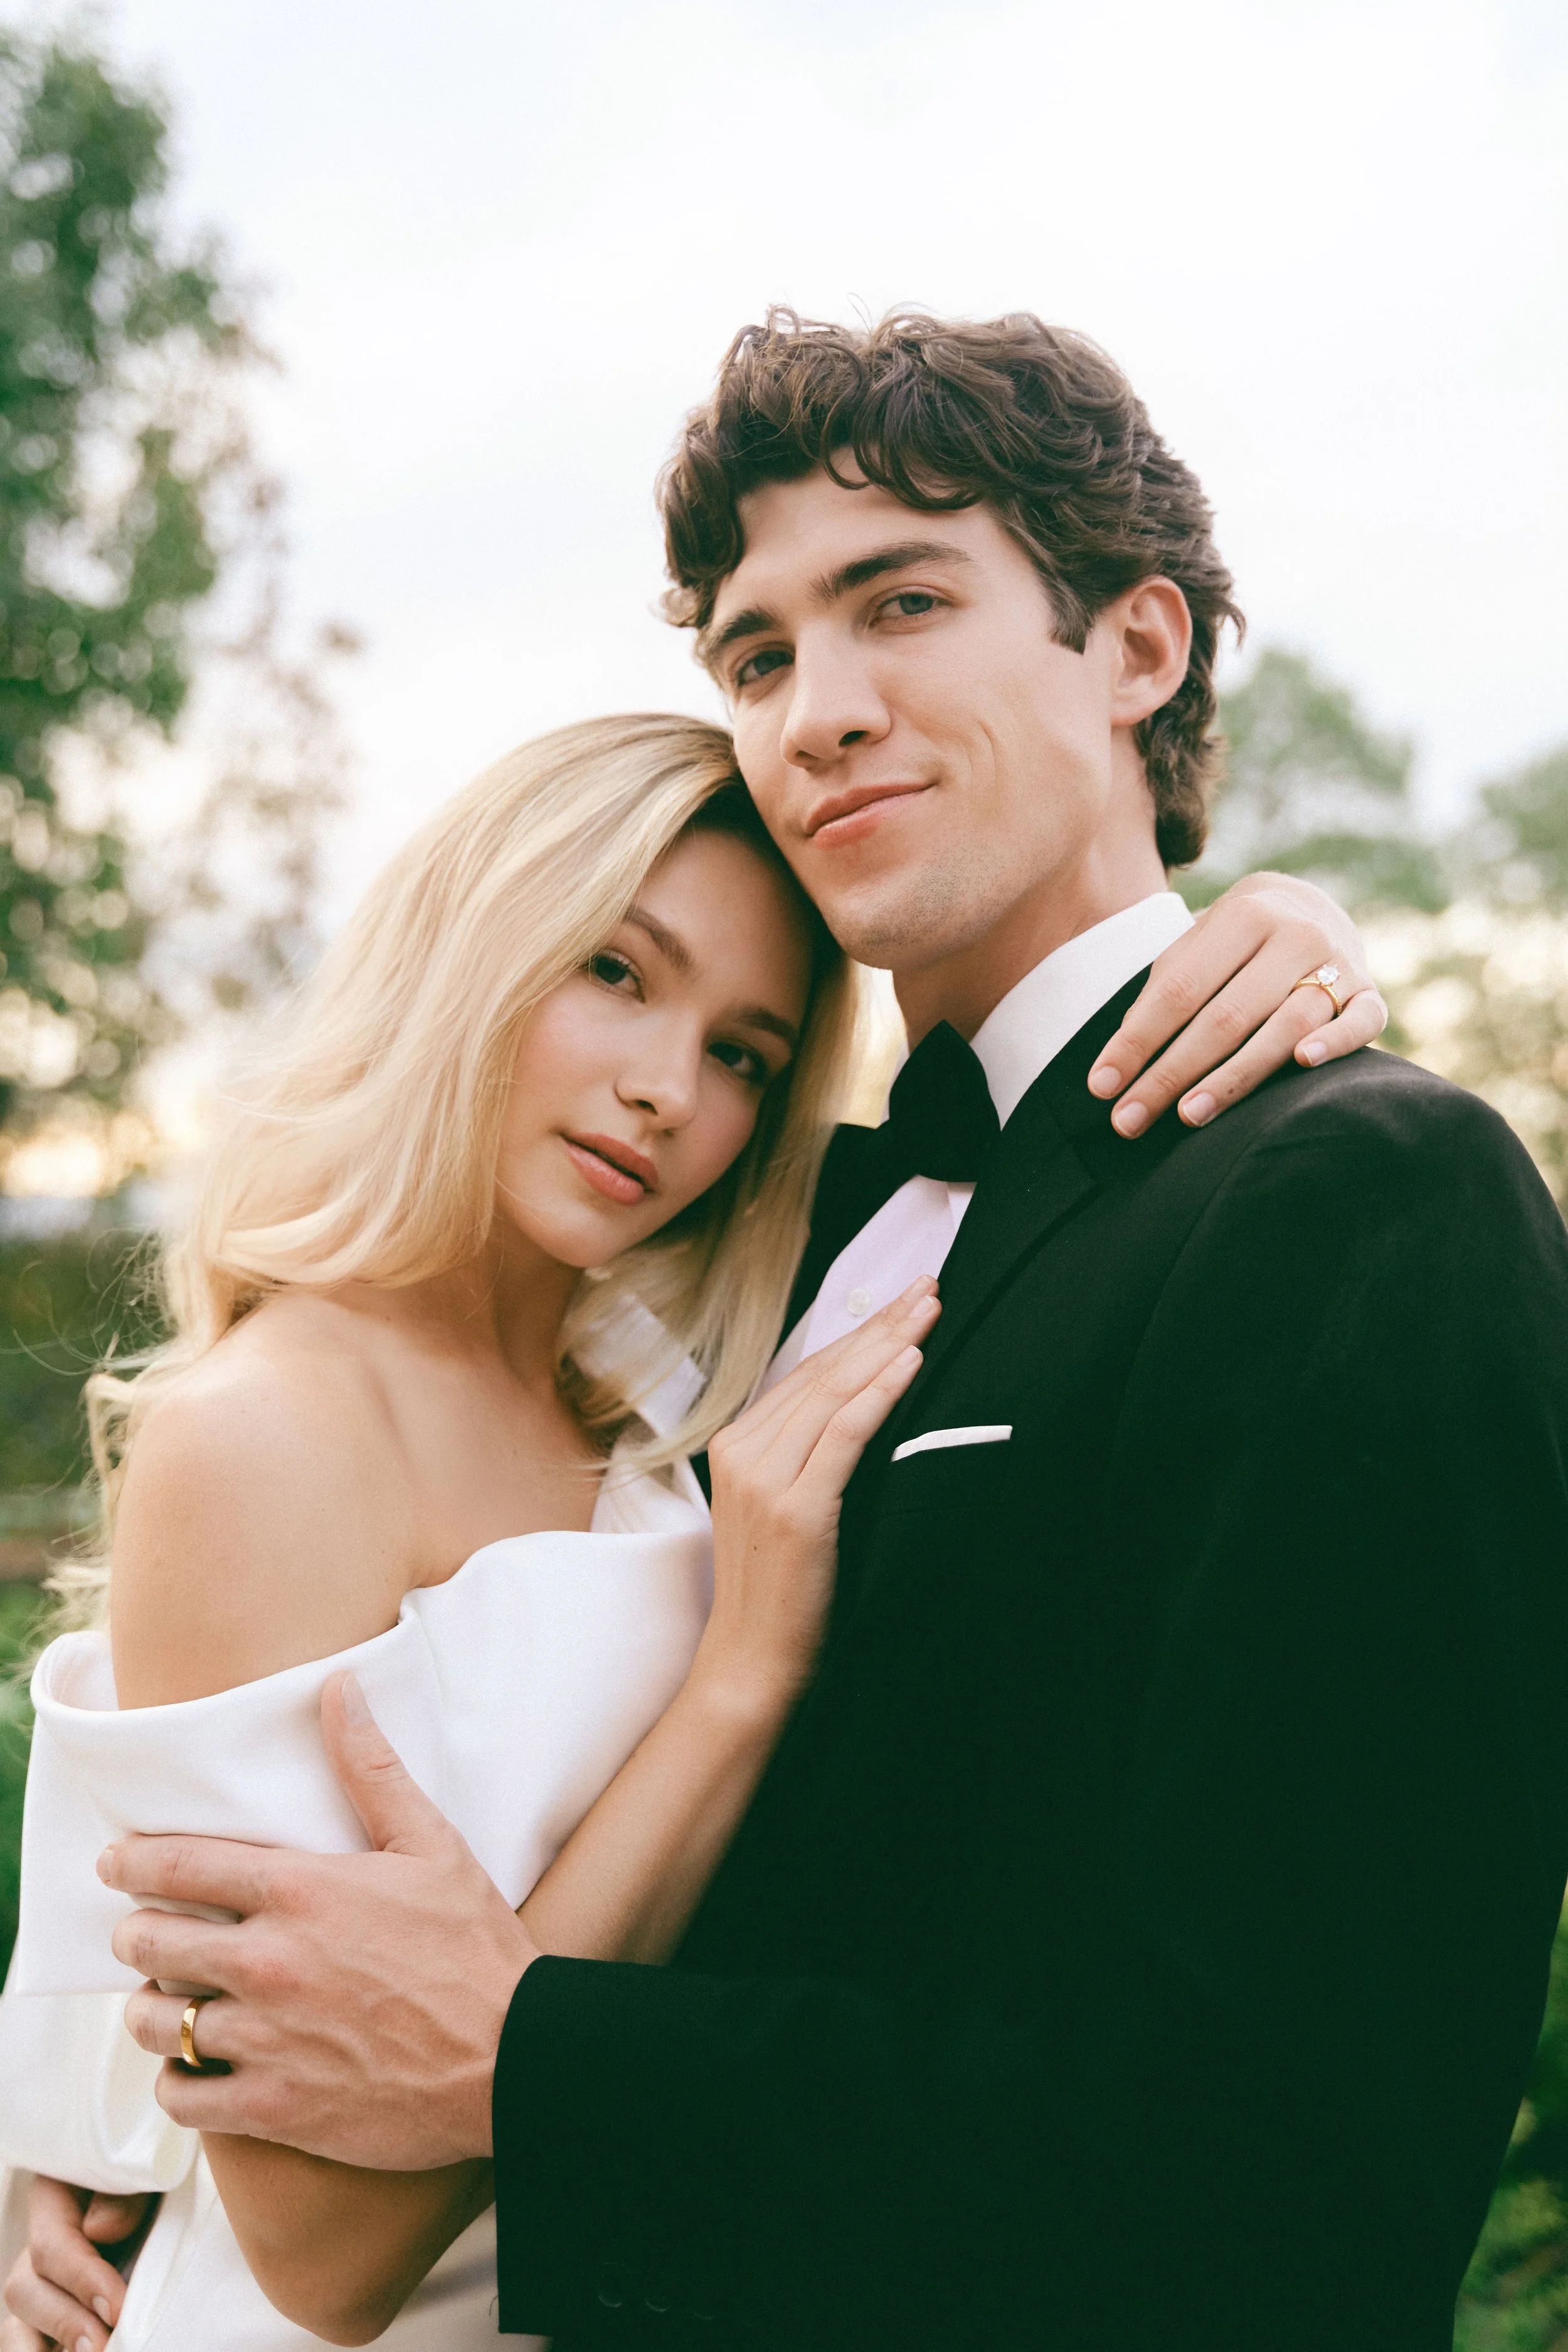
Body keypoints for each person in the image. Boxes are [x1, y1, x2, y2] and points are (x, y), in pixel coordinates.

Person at [0, 693, 1369, 2352]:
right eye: (617, 973)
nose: (666, 1092)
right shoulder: (274, 1428)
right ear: (475, 946)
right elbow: (324, 2252)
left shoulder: (664, 1372)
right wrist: (738, 1674)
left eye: (742, 1053)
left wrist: (1292, 929)